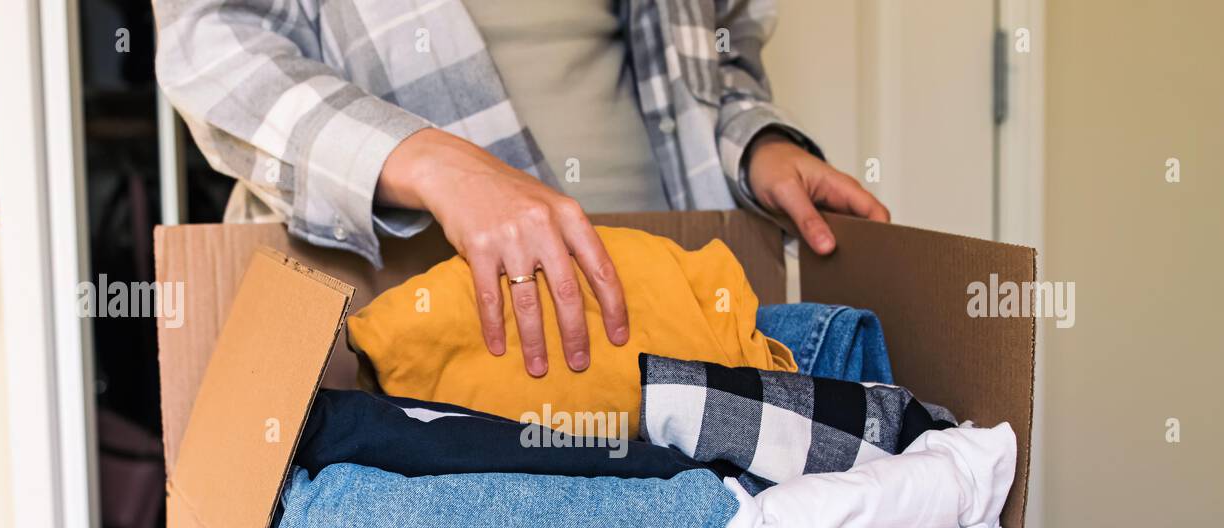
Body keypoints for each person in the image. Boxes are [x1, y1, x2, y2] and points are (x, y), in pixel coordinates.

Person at [154, 0, 889, 377]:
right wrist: (428, 162)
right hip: (385, 297)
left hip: (662, 299)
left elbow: (721, 36)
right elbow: (211, 42)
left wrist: (754, 140)